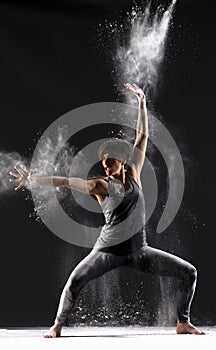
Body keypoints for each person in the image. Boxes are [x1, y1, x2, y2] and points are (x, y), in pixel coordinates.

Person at [9, 83, 205, 336]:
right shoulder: (99, 185)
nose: (105, 165)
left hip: (139, 251)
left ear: (121, 161)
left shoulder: (133, 173)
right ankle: (57, 326)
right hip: (107, 251)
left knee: (189, 272)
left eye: (109, 161)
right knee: (75, 281)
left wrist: (142, 102)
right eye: (102, 162)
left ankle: (182, 323)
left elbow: (142, 137)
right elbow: (66, 181)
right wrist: (33, 180)